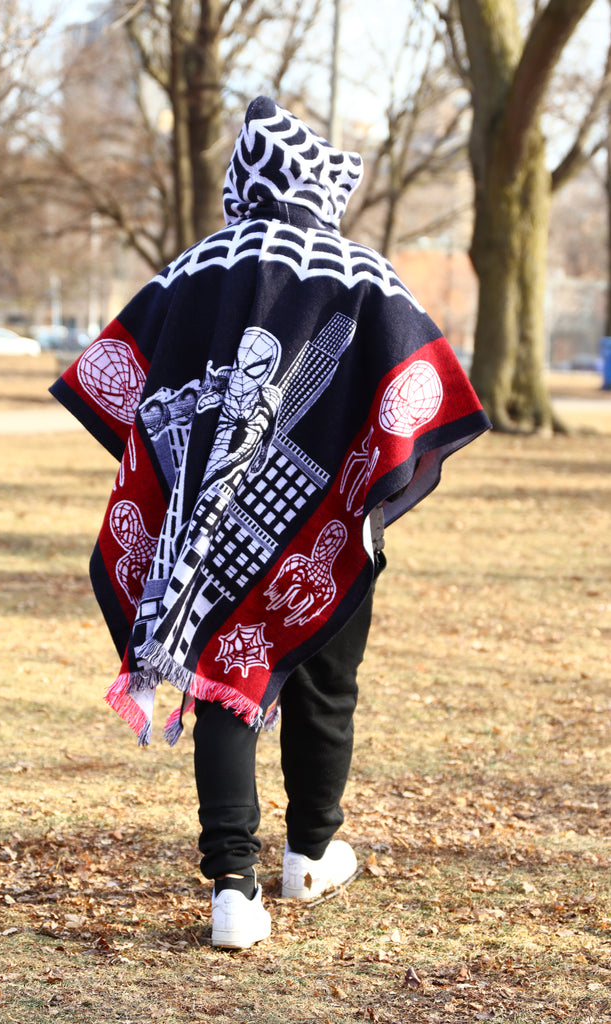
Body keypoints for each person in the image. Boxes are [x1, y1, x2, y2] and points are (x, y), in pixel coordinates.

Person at [51, 96, 490, 949]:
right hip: (326, 522)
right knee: (326, 684)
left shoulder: (193, 268)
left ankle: (232, 891)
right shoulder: (363, 273)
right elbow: (416, 391)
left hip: (204, 525)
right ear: (321, 188)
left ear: (240, 183)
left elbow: (119, 380)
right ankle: (309, 855)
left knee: (223, 679)